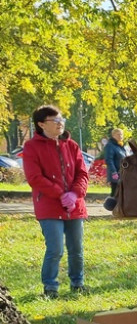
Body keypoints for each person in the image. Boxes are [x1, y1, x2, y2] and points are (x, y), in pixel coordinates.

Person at [23, 105, 90, 298]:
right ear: (42, 124)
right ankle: (50, 287)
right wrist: (61, 194)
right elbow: (34, 177)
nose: (60, 123)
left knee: (76, 249)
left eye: (62, 119)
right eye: (55, 120)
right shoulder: (31, 147)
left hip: (74, 206)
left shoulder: (71, 145)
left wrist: (75, 194)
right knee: (55, 249)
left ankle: (78, 283)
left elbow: (82, 173)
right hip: (49, 205)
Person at [103, 128, 127, 197]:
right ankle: (111, 206)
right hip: (115, 173)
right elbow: (109, 160)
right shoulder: (110, 146)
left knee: (121, 194)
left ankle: (119, 207)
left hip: (123, 173)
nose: (120, 136)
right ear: (113, 135)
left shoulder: (120, 146)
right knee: (115, 193)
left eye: (122, 134)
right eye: (118, 134)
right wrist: (114, 172)